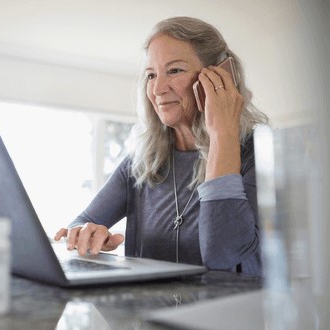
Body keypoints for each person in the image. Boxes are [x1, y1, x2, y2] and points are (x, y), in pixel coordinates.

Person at [54, 16, 268, 275]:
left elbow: (223, 255)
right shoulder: (142, 162)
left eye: (175, 70)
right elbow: (80, 222)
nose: (157, 89)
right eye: (151, 75)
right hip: (150, 314)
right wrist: (87, 234)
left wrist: (223, 132)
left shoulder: (260, 154)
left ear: (219, 77)